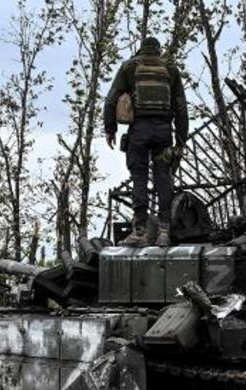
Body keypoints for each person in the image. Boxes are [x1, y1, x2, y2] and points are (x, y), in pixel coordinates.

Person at [103, 36, 189, 247]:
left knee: (139, 176)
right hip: (163, 132)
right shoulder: (170, 68)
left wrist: (110, 128)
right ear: (158, 50)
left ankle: (139, 232)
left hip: (138, 132)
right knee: (163, 178)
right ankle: (164, 231)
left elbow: (111, 99)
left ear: (141, 50)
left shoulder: (130, 67)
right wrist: (181, 139)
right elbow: (181, 106)